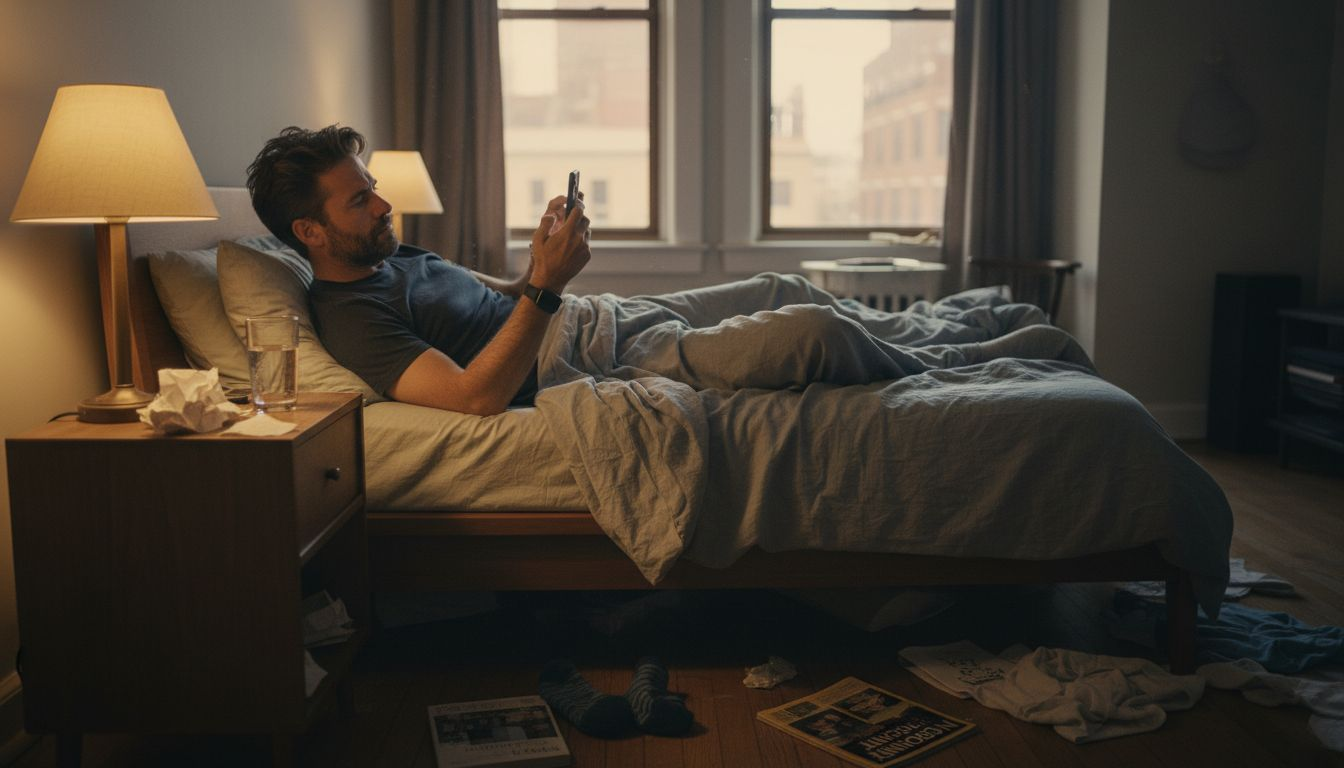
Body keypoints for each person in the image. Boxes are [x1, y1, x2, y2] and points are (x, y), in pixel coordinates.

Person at [246, 125, 1076, 416]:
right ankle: (968, 362)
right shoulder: (350, 320)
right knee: (810, 331)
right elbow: (474, 398)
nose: (384, 206)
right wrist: (544, 286)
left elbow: (489, 300)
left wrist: (538, 262)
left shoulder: (393, 256)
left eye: (374, 189)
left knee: (784, 288)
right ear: (311, 232)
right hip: (590, 363)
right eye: (361, 201)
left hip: (597, 318)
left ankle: (960, 325)